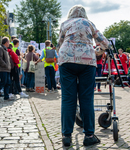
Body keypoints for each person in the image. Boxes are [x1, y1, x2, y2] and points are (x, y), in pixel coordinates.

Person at [57, 5, 109, 147]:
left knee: (68, 99)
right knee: (86, 98)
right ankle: (89, 135)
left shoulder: (65, 24)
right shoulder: (89, 23)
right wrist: (99, 50)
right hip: (87, 62)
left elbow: (59, 44)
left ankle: (66, 136)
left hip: (66, 61)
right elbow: (105, 43)